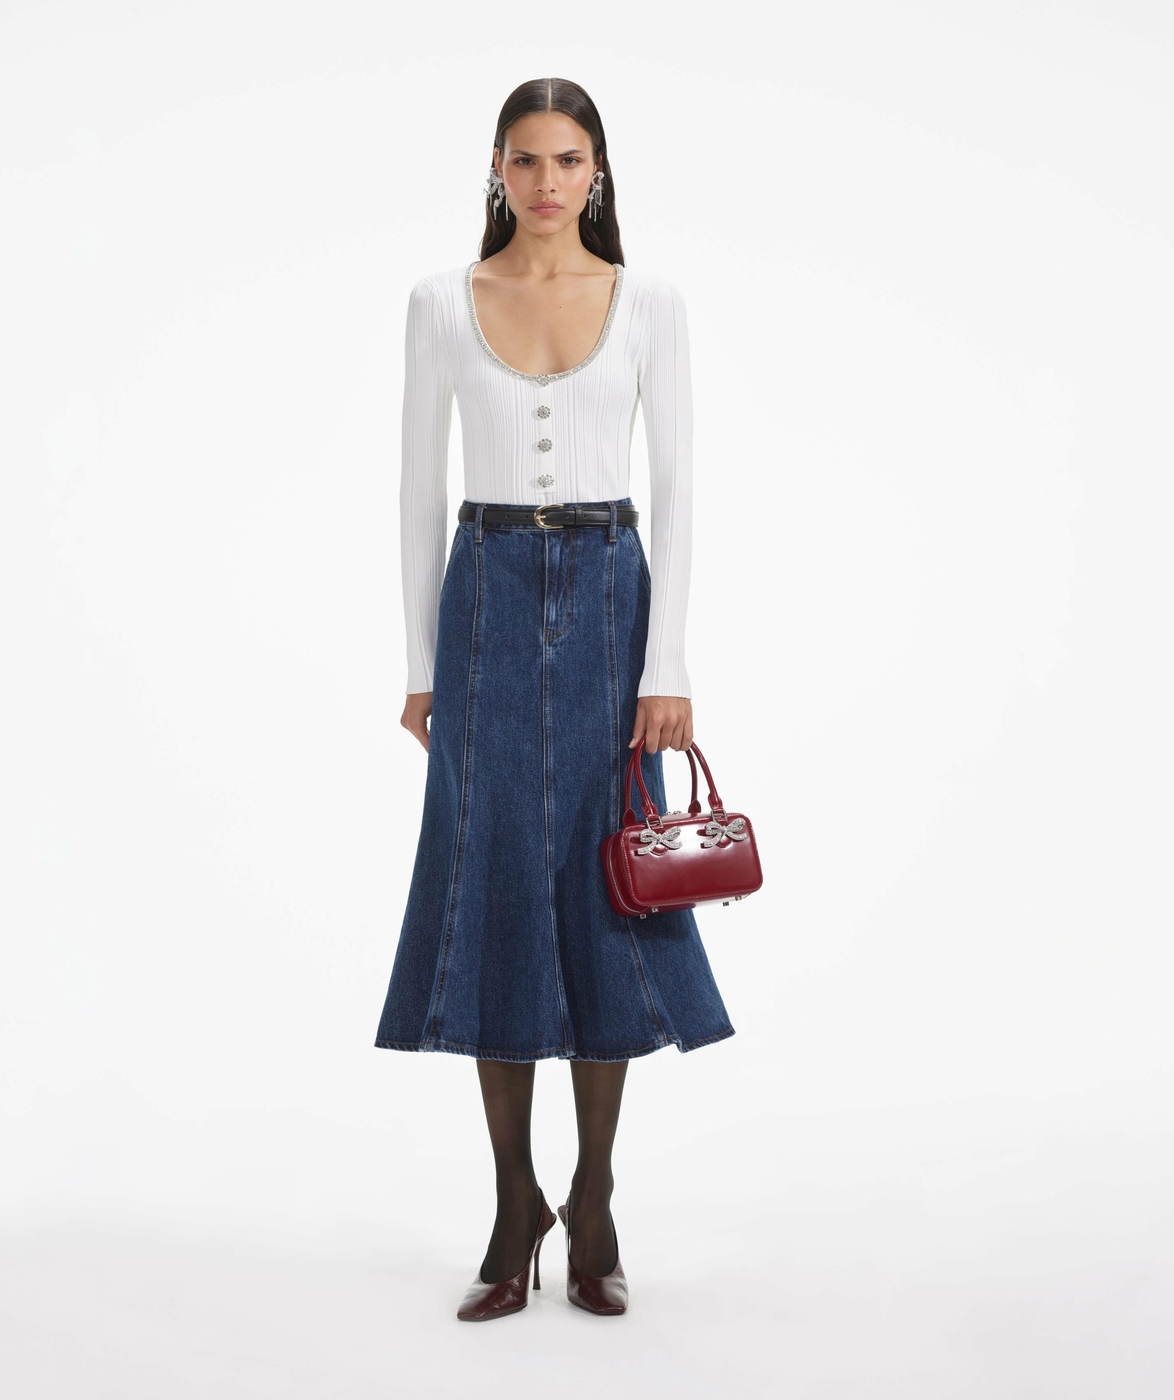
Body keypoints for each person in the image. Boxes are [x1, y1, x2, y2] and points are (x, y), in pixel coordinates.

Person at [375, 77, 733, 1322]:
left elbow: (679, 485)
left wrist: (665, 664)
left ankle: (592, 1197)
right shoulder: (439, 301)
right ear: (496, 167)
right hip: (482, 592)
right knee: (489, 884)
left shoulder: (649, 301)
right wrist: (421, 663)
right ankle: (510, 1200)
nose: (544, 181)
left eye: (565, 159)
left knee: (601, 887)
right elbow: (416, 490)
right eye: (524, 159)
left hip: (607, 592)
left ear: (596, 171)